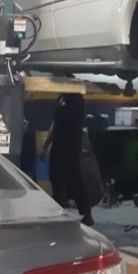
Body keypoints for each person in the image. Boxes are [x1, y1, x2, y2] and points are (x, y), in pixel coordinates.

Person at [41, 93, 94, 226]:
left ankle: (86, 213)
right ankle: (59, 210)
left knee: (74, 179)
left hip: (71, 147)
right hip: (58, 146)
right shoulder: (61, 99)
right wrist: (45, 145)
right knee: (56, 178)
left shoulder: (76, 100)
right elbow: (55, 123)